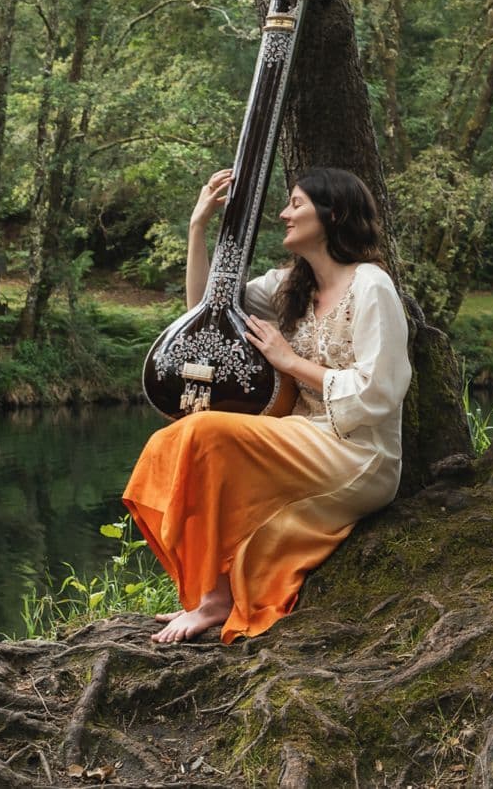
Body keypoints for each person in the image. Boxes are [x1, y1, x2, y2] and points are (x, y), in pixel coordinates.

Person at [123, 166, 411, 644]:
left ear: (333, 213)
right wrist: (199, 226)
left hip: (361, 454)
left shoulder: (370, 286)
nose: (283, 214)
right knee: (180, 439)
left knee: (205, 433)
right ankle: (207, 593)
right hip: (305, 438)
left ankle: (216, 600)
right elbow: (206, 316)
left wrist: (290, 362)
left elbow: (378, 392)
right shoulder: (287, 287)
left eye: (296, 204)